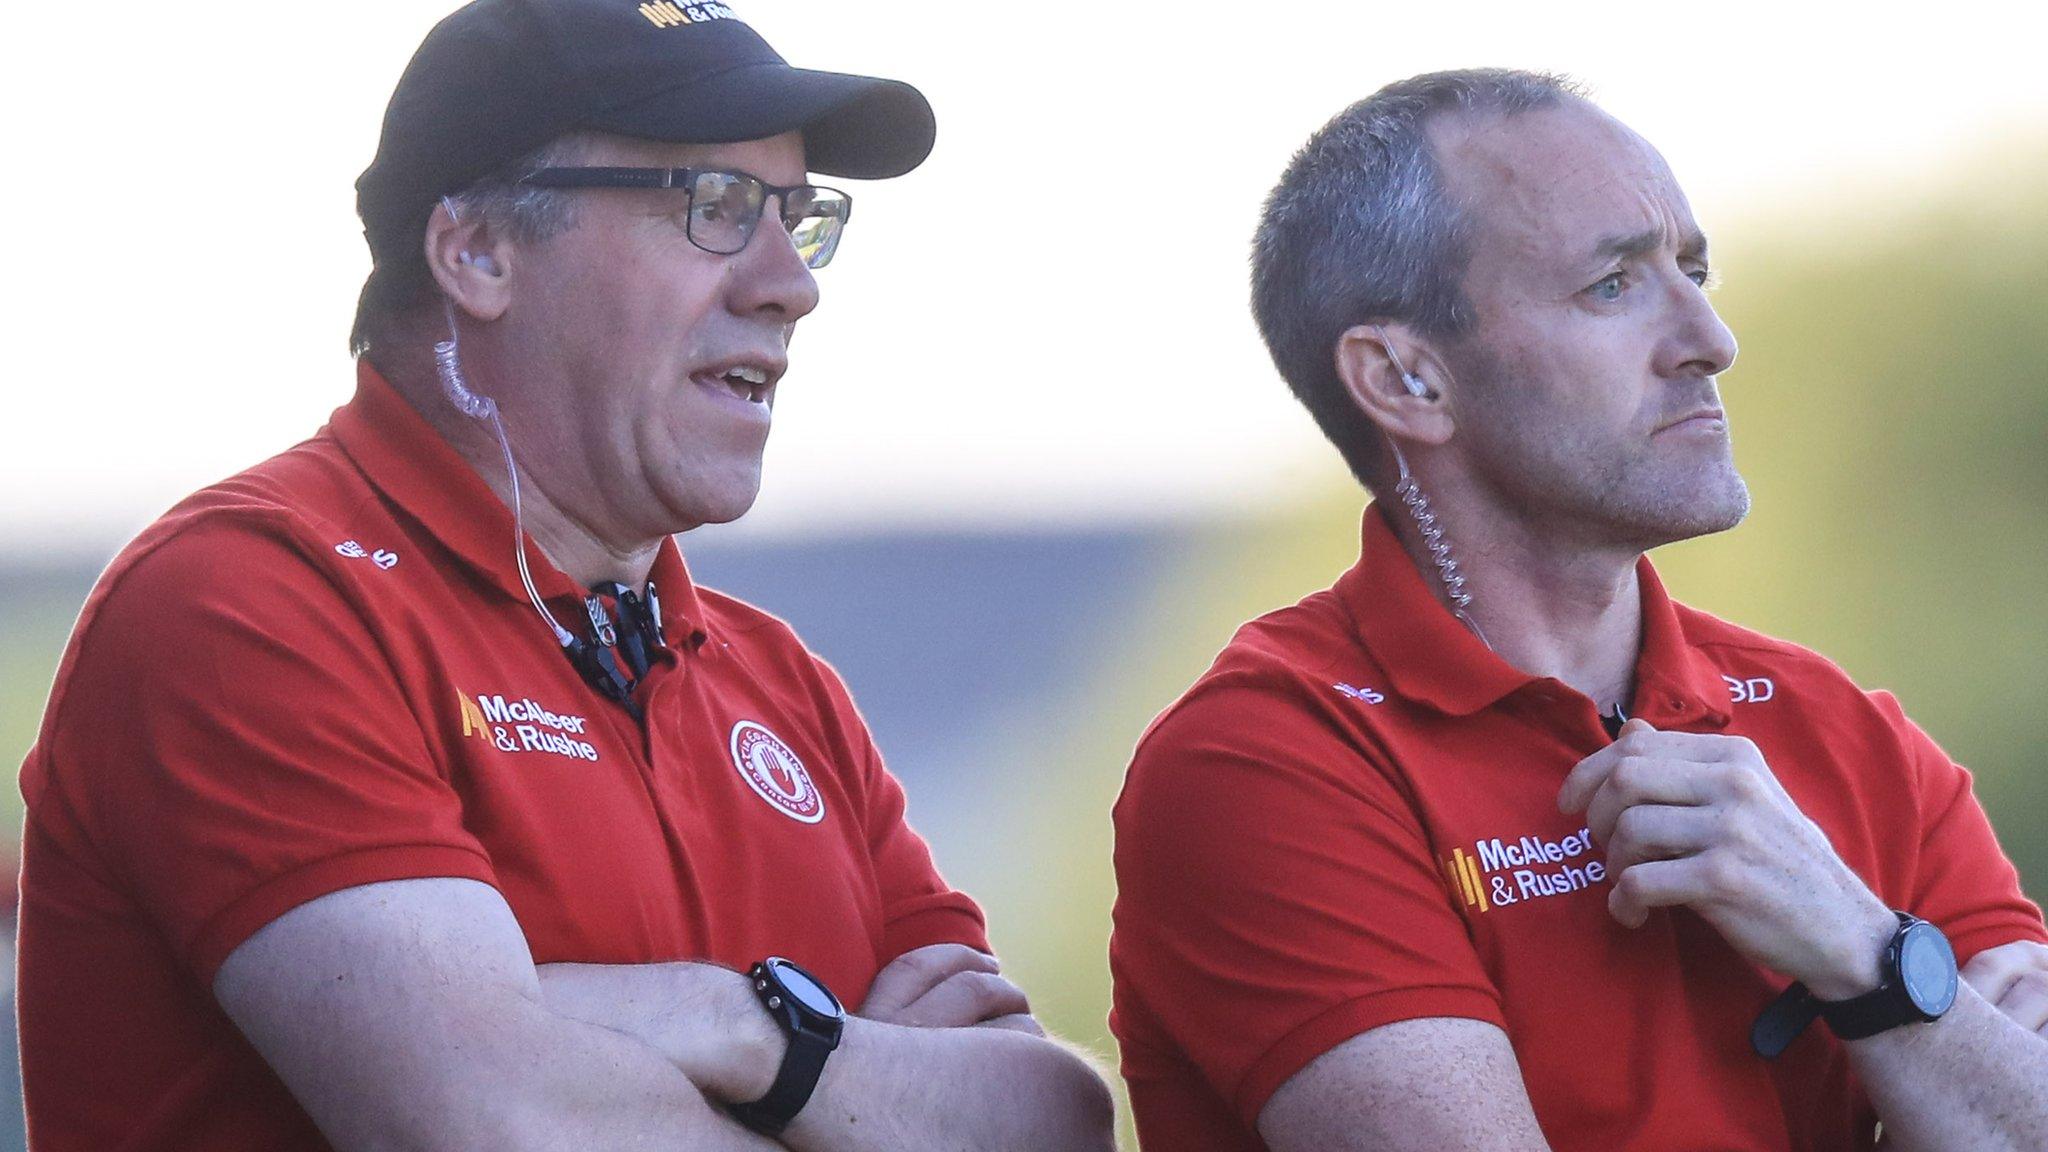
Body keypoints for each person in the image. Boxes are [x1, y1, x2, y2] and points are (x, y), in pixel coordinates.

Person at [15, 2, 1116, 1149]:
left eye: (800, 217)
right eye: (719, 207)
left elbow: (1056, 1122)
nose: (792, 284)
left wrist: (749, 1034)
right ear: (478, 253)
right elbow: (492, 1121)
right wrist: (858, 1075)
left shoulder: (781, 683)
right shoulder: (250, 596)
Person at [1108, 69, 2048, 1152]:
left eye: (1692, 269)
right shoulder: (1266, 761)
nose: (1707, 337)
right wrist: (1947, 1059)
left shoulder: (1843, 730)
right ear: (1405, 379)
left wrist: (1856, 944)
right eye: (1612, 285)